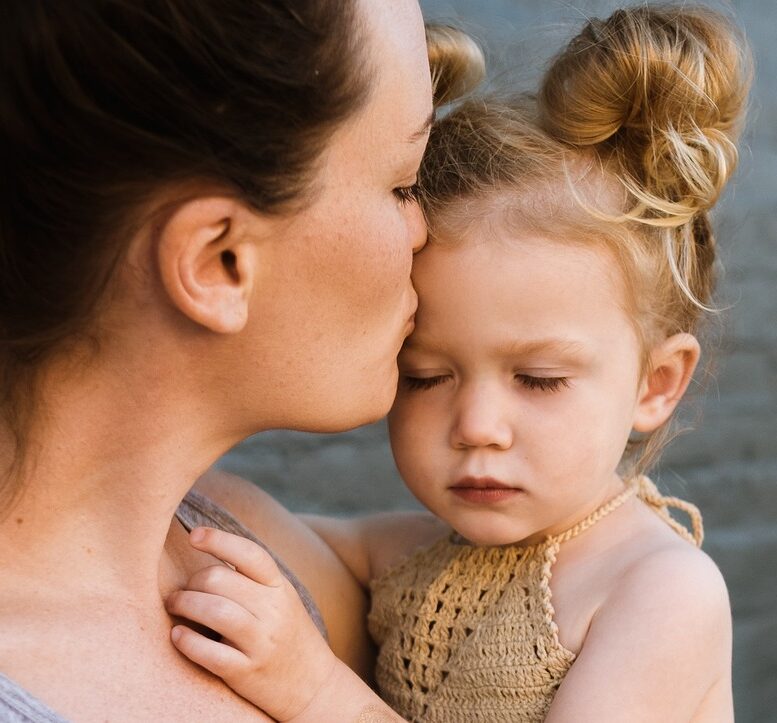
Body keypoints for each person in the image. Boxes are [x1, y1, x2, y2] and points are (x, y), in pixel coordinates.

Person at [166, 5, 752, 722]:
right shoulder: (414, 557)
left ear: (654, 384)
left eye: (537, 379)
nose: (476, 426)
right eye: (425, 376)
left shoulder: (656, 590)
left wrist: (315, 689)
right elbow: (242, 521)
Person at [0, 1, 483, 721]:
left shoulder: (247, 540)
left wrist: (649, 594)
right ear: (217, 261)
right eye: (402, 184)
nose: (425, 230)